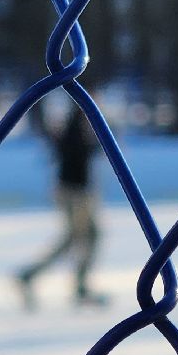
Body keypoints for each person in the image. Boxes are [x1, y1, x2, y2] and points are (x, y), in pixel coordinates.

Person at [15, 105, 107, 309]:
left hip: (76, 191)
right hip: (74, 193)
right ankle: (34, 276)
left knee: (84, 237)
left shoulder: (77, 128)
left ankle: (34, 276)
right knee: (79, 237)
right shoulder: (76, 129)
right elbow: (77, 152)